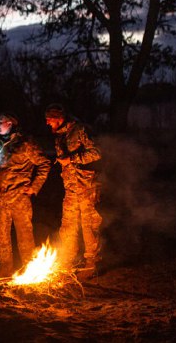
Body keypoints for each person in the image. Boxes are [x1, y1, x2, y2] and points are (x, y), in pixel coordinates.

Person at [0, 112, 52, 278]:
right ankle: (5, 267)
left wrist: (34, 187)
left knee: (24, 235)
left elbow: (45, 163)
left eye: (1, 122)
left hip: (19, 197)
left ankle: (29, 268)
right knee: (1, 236)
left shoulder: (26, 143)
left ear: (11, 124)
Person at [44, 103, 103, 275]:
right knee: (68, 225)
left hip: (87, 186)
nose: (47, 124)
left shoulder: (80, 130)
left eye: (49, 120)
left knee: (89, 225)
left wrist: (72, 159)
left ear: (59, 118)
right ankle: (69, 259)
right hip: (71, 188)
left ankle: (92, 263)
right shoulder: (60, 136)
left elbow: (97, 152)